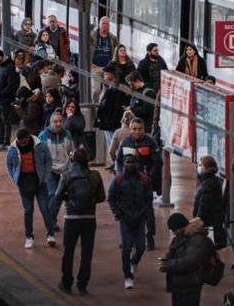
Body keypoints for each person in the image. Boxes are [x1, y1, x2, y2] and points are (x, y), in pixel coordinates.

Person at [54, 148, 106, 295]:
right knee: (87, 254)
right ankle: (82, 285)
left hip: (71, 219)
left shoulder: (66, 176)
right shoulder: (95, 176)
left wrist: (69, 199)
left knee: (68, 252)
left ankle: (66, 283)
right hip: (89, 219)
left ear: (72, 160)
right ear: (87, 161)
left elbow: (57, 196)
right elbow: (102, 197)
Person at [115, 117, 162, 251]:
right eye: (134, 129)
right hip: (127, 183)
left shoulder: (150, 143)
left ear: (144, 129)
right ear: (130, 129)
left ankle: (149, 237)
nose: (136, 131)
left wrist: (149, 177)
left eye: (139, 129)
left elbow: (157, 162)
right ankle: (127, 239)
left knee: (147, 211)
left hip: (144, 183)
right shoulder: (125, 143)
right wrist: (120, 175)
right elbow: (118, 161)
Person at [6, 128, 56, 249]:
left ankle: (50, 234)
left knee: (45, 208)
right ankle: (29, 236)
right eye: (20, 142)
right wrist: (14, 178)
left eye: (24, 142)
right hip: (23, 183)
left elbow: (48, 160)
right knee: (28, 211)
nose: (21, 144)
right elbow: (9, 165)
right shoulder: (13, 149)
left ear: (28, 138)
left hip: (39, 181)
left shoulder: (40, 146)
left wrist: (45, 177)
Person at [108, 153, 153, 289]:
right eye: (127, 162)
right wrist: (118, 213)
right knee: (126, 248)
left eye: (132, 163)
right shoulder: (118, 180)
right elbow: (111, 198)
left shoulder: (144, 180)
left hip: (140, 218)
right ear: (124, 164)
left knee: (141, 247)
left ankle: (134, 262)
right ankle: (127, 276)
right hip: (125, 219)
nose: (130, 165)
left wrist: (146, 213)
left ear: (137, 164)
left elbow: (149, 199)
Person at [159, 213, 214, 306]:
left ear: (179, 228)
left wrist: (169, 264)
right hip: (179, 284)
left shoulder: (197, 239)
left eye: (173, 230)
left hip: (191, 285)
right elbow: (173, 254)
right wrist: (166, 263)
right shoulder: (180, 237)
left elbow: (190, 262)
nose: (173, 233)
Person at [39, 111, 75, 232]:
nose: (58, 124)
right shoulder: (43, 136)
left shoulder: (68, 135)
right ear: (51, 123)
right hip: (50, 171)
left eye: (60, 121)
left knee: (60, 197)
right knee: (53, 195)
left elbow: (72, 151)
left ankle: (51, 221)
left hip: (65, 171)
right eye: (55, 121)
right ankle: (50, 222)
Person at [0, 49, 24, 150]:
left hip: (5, 98)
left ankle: (6, 141)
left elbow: (12, 85)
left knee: (5, 120)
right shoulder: (1, 66)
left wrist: (2, 93)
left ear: (0, 58)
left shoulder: (10, 67)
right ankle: (0, 140)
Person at [193, 156, 226, 249]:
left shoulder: (208, 183)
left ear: (207, 168)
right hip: (212, 220)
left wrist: (198, 219)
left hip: (210, 220)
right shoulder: (208, 180)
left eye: (200, 165)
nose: (198, 167)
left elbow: (205, 204)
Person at [95, 64, 128, 151]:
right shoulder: (108, 87)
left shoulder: (119, 89)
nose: (104, 76)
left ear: (112, 75)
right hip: (107, 122)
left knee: (115, 146)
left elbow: (117, 107)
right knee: (110, 144)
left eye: (106, 74)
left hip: (113, 123)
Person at [90, 16, 119, 93]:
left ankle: (102, 104)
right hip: (96, 67)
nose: (105, 25)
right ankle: (95, 105)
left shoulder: (113, 38)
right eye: (103, 23)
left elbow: (118, 49)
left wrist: (115, 63)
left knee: (107, 90)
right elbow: (85, 49)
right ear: (99, 25)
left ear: (109, 26)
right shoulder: (92, 36)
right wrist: (89, 63)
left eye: (107, 24)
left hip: (108, 68)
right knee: (96, 90)